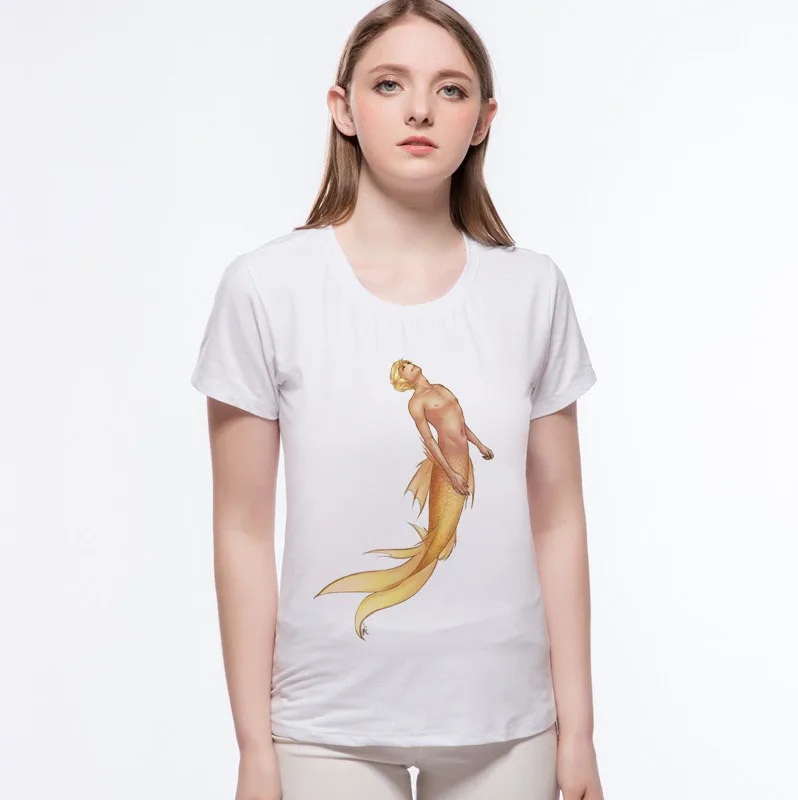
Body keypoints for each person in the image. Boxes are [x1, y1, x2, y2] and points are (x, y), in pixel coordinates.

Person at [190, 1, 605, 798]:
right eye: (389, 84)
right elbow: (240, 528)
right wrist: (253, 748)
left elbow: (559, 517)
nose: (420, 109)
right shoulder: (266, 289)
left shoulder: (532, 289)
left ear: (482, 121)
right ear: (343, 108)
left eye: (450, 89)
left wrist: (579, 731)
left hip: (505, 719)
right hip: (325, 723)